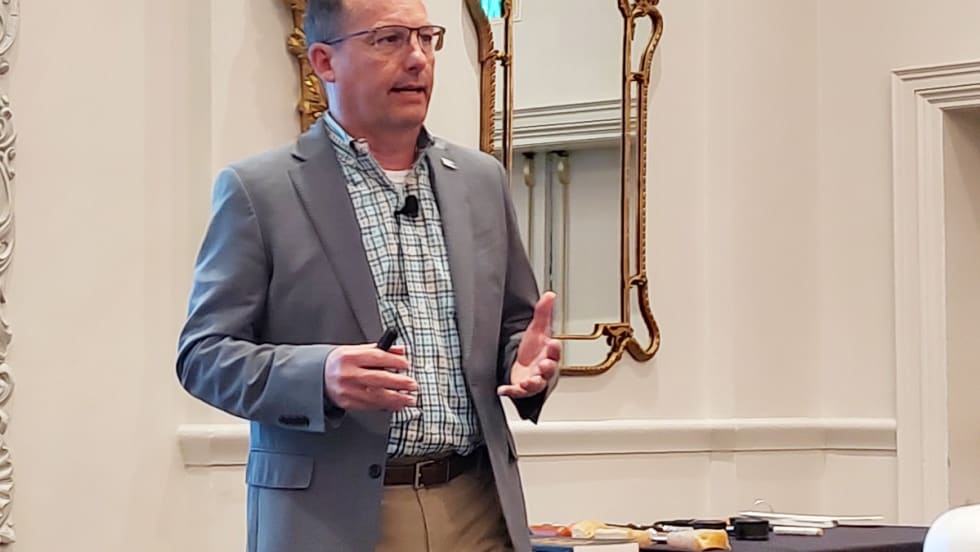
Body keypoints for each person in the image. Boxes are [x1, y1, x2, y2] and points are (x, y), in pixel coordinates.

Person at [175, 0, 561, 550]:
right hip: (334, 518)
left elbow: (516, 329)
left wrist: (527, 361)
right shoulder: (260, 191)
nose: (417, 58)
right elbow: (203, 355)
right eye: (389, 39)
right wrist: (320, 376)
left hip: (477, 505)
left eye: (426, 38)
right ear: (324, 61)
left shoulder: (481, 180)